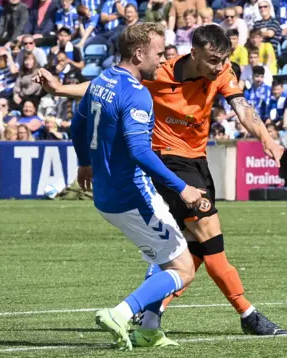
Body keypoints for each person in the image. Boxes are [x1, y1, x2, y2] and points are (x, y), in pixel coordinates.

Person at [36, 24, 287, 343]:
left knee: (189, 247)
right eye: (212, 60)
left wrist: (266, 137)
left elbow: (242, 108)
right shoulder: (158, 74)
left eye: (223, 60)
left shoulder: (222, 73)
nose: (219, 67)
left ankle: (152, 316)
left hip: (196, 162)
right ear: (193, 53)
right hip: (169, 163)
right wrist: (60, 90)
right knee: (210, 241)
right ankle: (247, 314)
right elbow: (103, 89)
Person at [55, 23, 202, 351]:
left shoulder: (102, 79)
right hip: (132, 195)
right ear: (139, 53)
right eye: (159, 53)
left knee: (164, 256)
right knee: (184, 268)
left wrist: (83, 162)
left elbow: (78, 123)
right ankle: (120, 313)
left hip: (106, 197)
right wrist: (182, 188)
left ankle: (149, 329)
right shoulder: (137, 94)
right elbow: (139, 151)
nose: (163, 61)